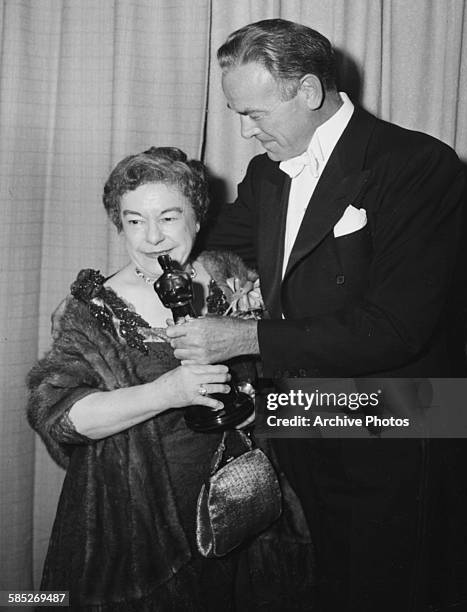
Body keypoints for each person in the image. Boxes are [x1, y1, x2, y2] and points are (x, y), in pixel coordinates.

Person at [166, 19, 467, 612]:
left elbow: (396, 329)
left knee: (394, 589)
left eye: (255, 114)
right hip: (301, 412)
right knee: (326, 580)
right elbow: (214, 247)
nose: (248, 133)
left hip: (397, 414)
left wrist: (241, 336)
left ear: (308, 91)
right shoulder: (267, 171)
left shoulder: (419, 163)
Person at [27, 147, 314, 611]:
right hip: (139, 521)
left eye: (168, 217)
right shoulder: (93, 308)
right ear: (119, 224)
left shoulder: (228, 276)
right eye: (135, 220)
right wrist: (168, 391)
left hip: (242, 504)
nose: (152, 237)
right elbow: (57, 414)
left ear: (197, 219)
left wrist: (256, 401)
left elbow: (277, 376)